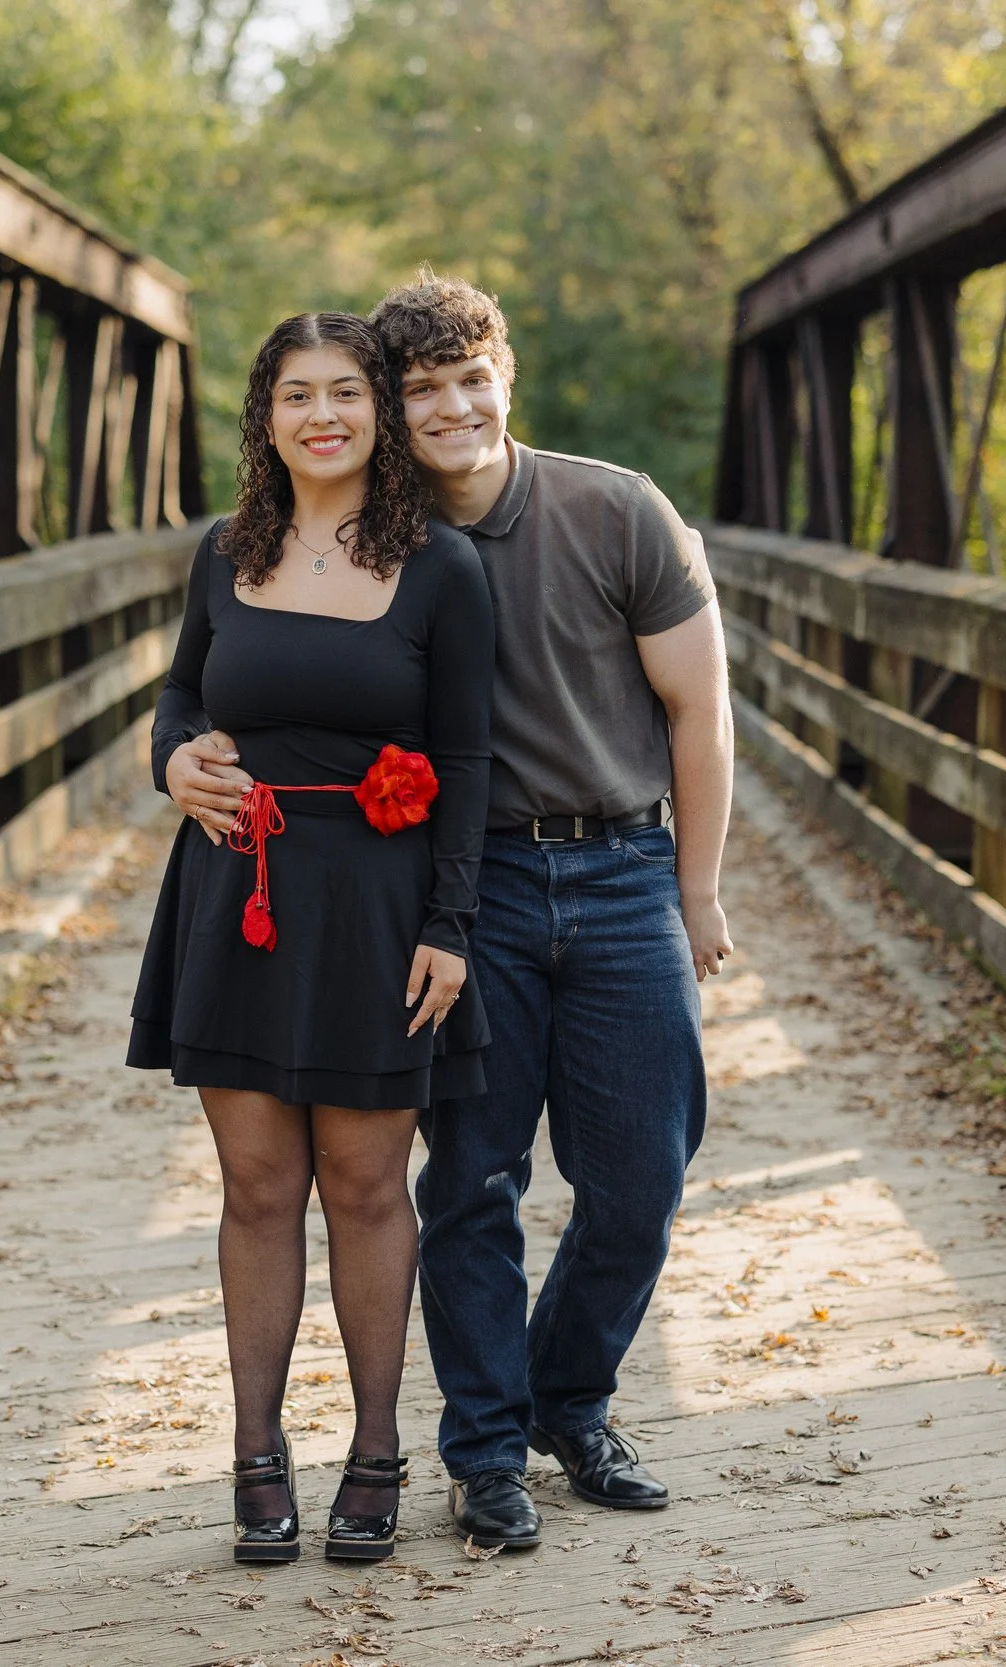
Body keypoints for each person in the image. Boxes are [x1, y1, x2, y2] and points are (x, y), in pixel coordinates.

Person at [169, 273, 732, 1553]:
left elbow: (701, 707)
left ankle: (567, 1399)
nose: (448, 406)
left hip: (613, 865)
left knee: (641, 1175)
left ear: (507, 376)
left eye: (467, 378)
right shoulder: (337, 529)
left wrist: (696, 881)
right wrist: (179, 756)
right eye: (416, 389)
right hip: (444, 882)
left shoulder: (611, 509)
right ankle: (483, 1452)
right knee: (470, 1173)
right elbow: (211, 677)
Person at [128, 312, 495, 1567]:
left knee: (364, 1184)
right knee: (258, 1185)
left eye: (346, 392)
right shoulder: (224, 550)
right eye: (298, 393)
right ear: (265, 413)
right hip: (237, 894)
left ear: (378, 415)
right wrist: (173, 757)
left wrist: (453, 923)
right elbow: (183, 689)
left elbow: (466, 757)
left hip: (380, 909)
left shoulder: (441, 566)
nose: (322, 414)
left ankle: (378, 1447)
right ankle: (254, 1453)